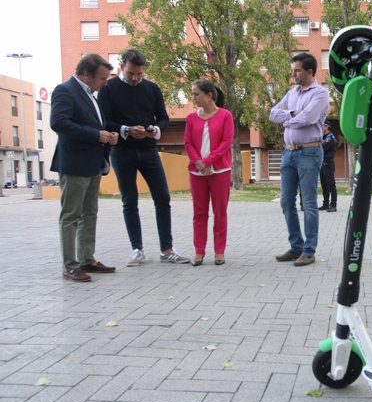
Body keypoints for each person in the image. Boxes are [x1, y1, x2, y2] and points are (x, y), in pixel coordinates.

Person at [98, 49, 190, 266]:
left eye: (139, 74)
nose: (135, 78)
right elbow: (103, 120)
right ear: (122, 67)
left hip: (149, 149)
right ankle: (137, 249)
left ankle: (167, 249)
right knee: (129, 200)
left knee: (163, 198)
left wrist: (155, 129)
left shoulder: (152, 88)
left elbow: (164, 118)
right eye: (131, 73)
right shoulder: (108, 88)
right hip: (122, 151)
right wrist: (126, 129)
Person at [50, 54, 119, 282]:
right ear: (86, 74)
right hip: (74, 164)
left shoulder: (91, 95)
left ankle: (86, 259)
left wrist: (108, 134)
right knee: (71, 215)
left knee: (90, 213)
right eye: (101, 78)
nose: (105, 83)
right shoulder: (65, 90)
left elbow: (95, 124)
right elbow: (58, 123)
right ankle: (70, 266)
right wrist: (96, 135)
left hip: (92, 164)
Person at [269, 52, 329, 267]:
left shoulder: (321, 94)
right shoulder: (291, 93)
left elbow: (310, 118)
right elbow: (273, 114)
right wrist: (294, 115)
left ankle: (309, 250)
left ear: (310, 71)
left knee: (309, 203)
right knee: (286, 202)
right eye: (292, 70)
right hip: (288, 152)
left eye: (297, 70)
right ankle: (296, 247)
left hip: (309, 153)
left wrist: (289, 118)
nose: (293, 74)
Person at [184, 79, 234, 266]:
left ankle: (219, 251)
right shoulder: (190, 118)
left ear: (209, 95)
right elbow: (188, 143)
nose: (194, 97)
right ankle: (199, 251)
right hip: (196, 172)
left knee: (220, 212)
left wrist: (207, 162)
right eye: (193, 94)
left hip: (220, 170)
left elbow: (226, 142)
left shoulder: (226, 116)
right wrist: (198, 162)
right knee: (199, 212)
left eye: (197, 94)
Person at [319, 119, 337, 212]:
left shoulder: (330, 137)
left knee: (331, 184)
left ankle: (333, 205)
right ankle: (325, 204)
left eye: (322, 126)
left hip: (328, 163)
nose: (321, 127)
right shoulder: (323, 136)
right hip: (322, 163)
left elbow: (321, 148)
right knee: (324, 185)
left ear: (326, 127)